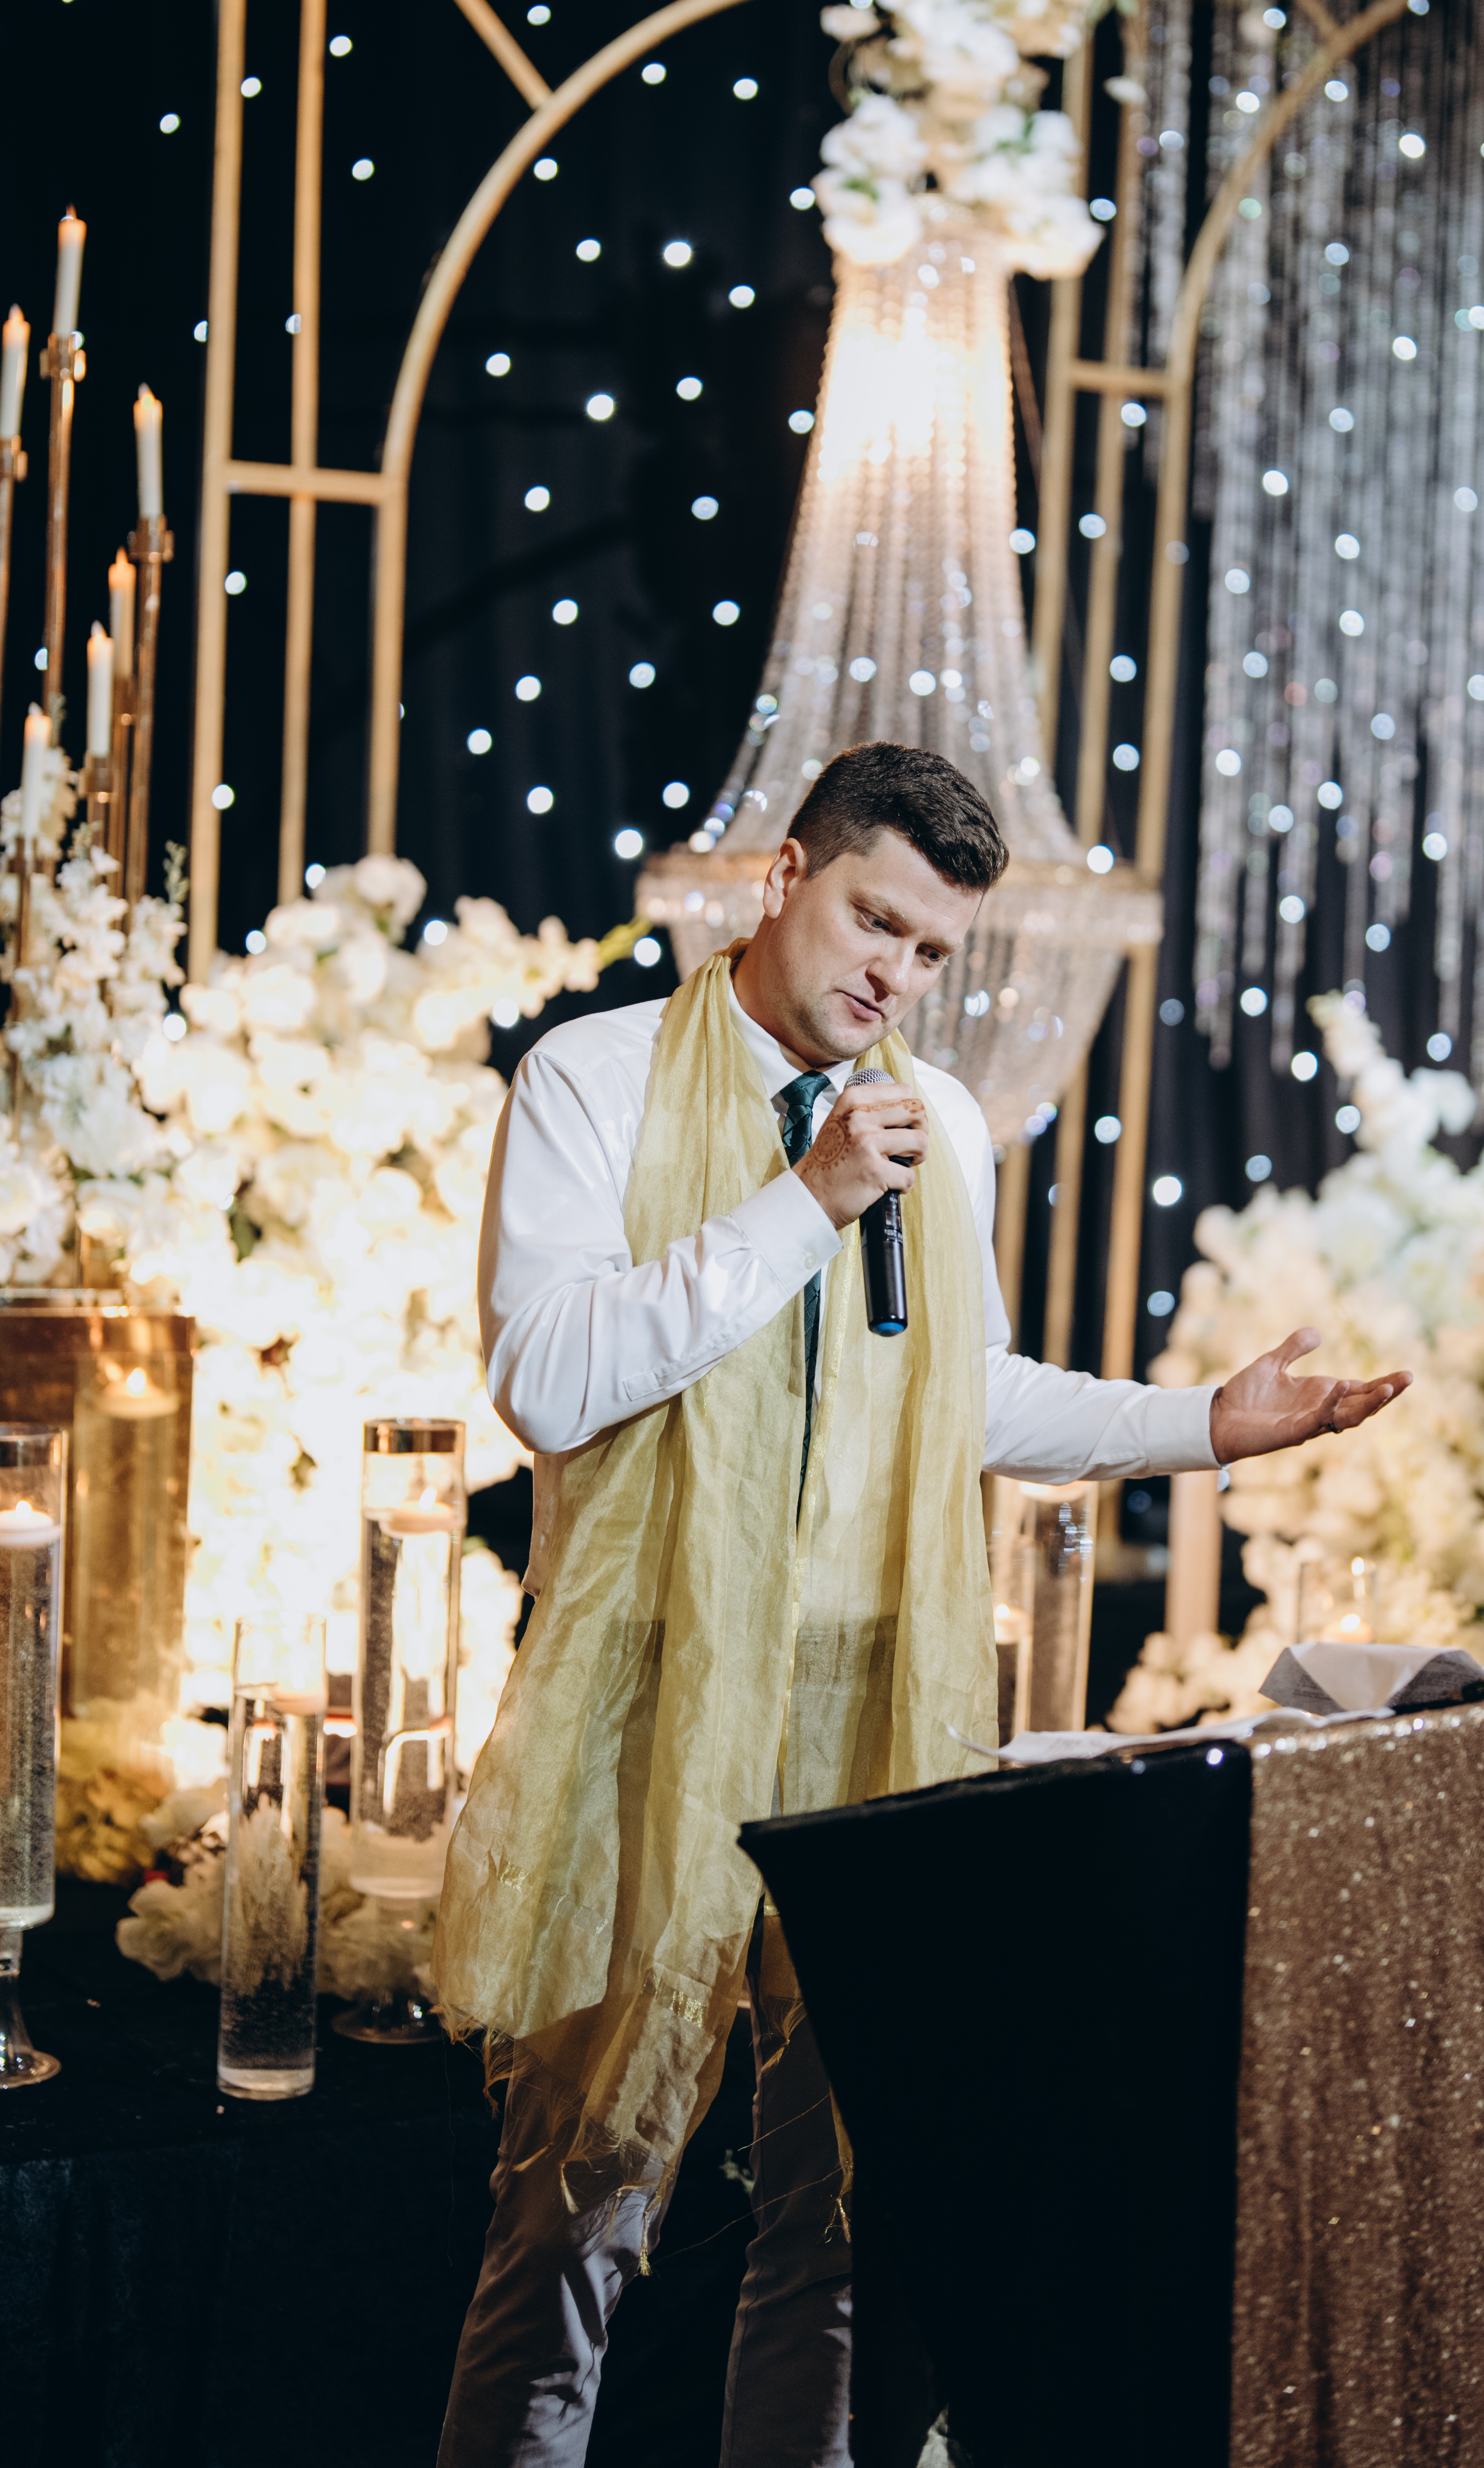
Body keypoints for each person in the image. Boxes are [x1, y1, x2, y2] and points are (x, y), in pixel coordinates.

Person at [434, 741, 1410, 2468]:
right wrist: (804, 1202)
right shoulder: (592, 1075)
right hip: (653, 1690)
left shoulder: (938, 1122)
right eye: (874, 921)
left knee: (841, 2216)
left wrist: (1202, 1424)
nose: (896, 974)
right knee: (577, 2208)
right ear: (782, 879)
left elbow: (957, 1395)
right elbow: (552, 1381)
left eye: (934, 951)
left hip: (871, 1695)